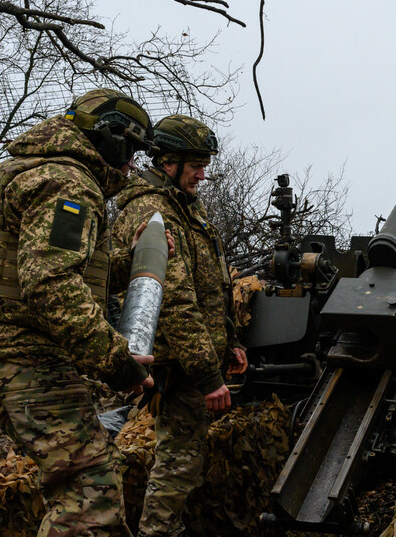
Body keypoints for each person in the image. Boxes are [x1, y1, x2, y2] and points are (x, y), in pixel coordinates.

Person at [0, 88, 158, 537]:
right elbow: (50, 284)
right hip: (12, 350)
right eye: (131, 150)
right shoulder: (68, 182)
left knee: (80, 473)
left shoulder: (27, 168)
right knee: (88, 487)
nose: (133, 164)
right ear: (111, 139)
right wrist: (117, 363)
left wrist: (128, 260)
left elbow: (50, 266)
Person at [111, 114, 247, 537]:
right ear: (169, 163)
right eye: (196, 166)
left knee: (184, 463)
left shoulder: (185, 206)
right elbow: (173, 301)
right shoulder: (153, 210)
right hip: (182, 366)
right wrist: (208, 375)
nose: (203, 174)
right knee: (177, 467)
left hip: (196, 357)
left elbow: (210, 284)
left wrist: (230, 345)